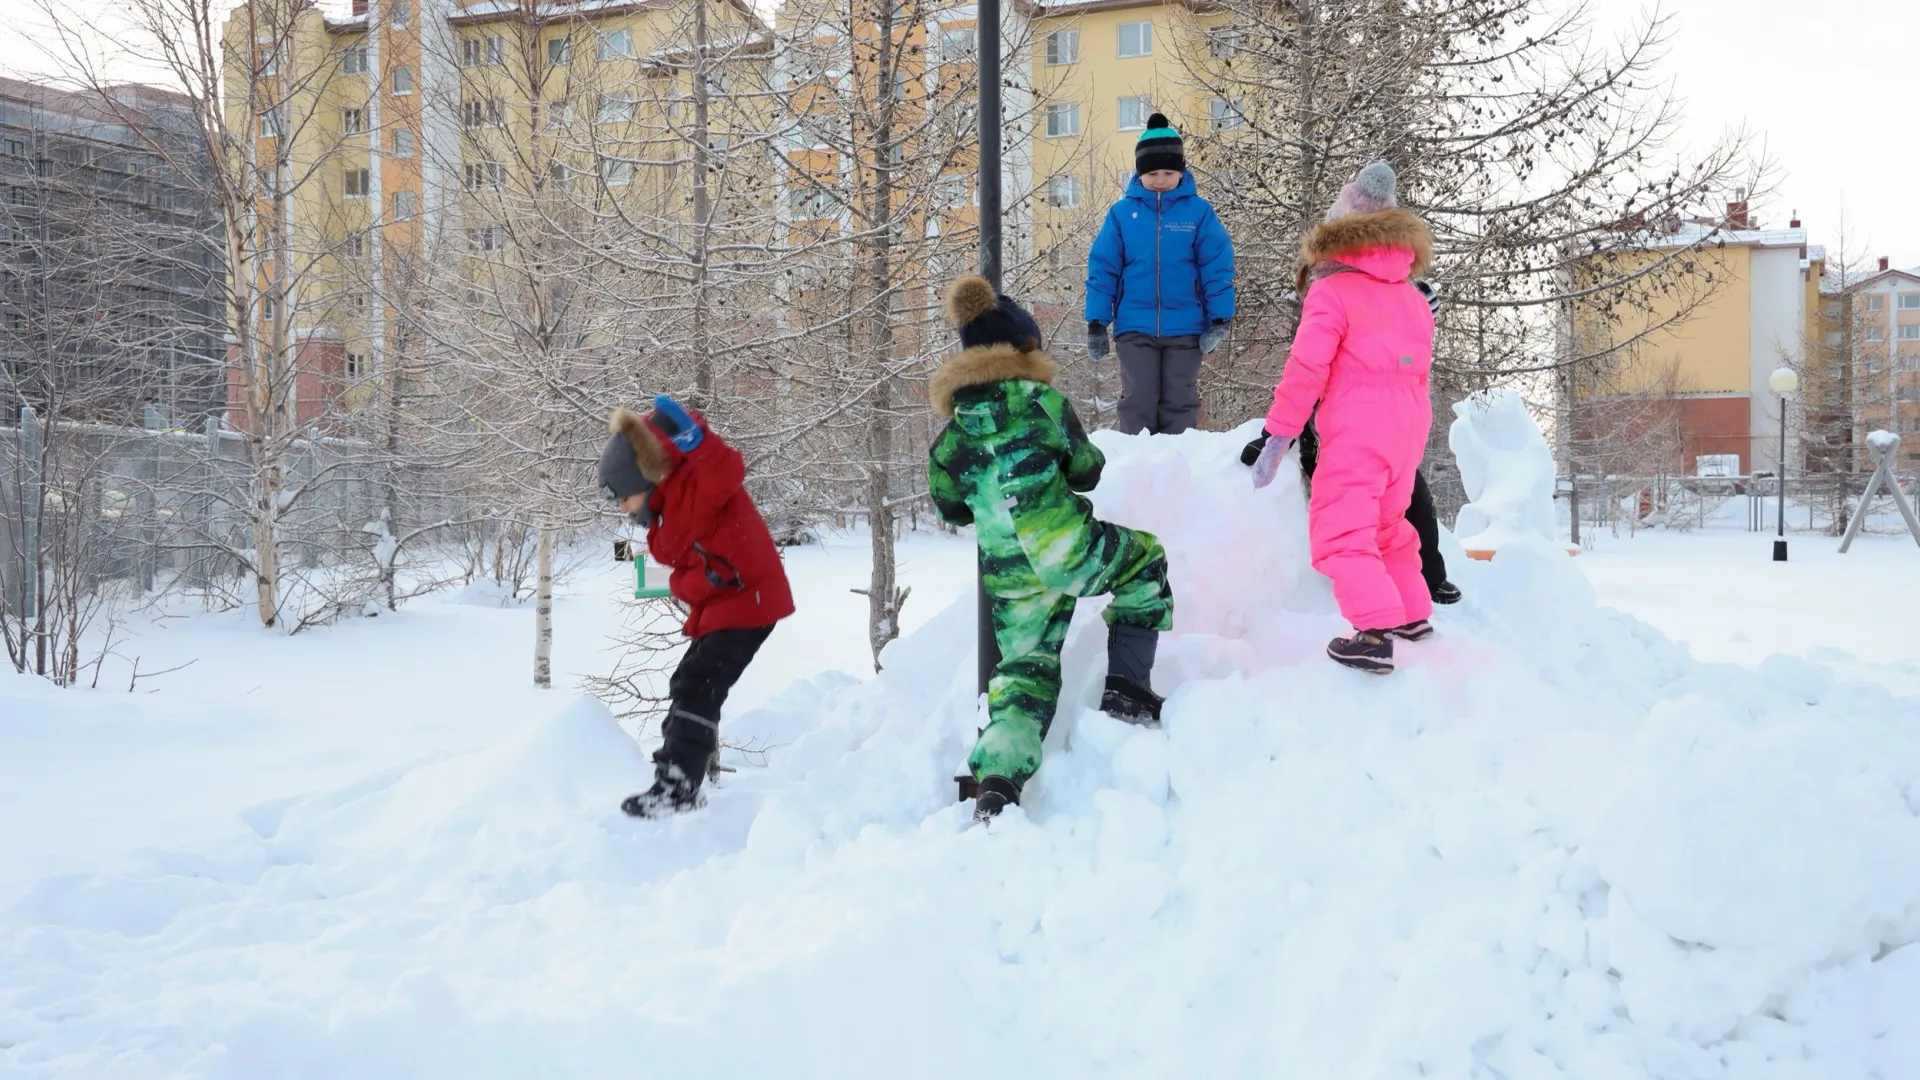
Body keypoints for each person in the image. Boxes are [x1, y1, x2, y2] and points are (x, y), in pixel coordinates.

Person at [929, 276, 1175, 821]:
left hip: (1011, 576)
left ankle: (997, 781)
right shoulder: (1041, 402)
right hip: (1069, 548)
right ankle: (1127, 689)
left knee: (1023, 676)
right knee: (1143, 560)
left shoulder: (950, 440)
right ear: (1021, 352)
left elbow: (948, 508)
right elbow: (1087, 470)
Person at [1246, 161, 1436, 673]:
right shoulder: (1413, 297)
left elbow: (1307, 369)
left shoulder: (1331, 292)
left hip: (1358, 428)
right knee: (1387, 525)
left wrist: (1278, 436)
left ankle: (1372, 633)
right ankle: (1413, 614)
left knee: (1340, 530)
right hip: (1408, 429)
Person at [597, 395, 795, 817]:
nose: (621, 507)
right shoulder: (667, 511)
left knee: (699, 686)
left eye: (622, 496)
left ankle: (679, 786)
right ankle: (677, 773)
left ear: (641, 482)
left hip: (750, 602)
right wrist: (687, 581)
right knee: (687, 682)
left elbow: (726, 471)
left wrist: (696, 440)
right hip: (728, 604)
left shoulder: (693, 485)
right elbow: (694, 569)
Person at [1244, 280, 1462, 607]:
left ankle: (1427, 580)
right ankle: (1371, 607)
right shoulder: (1351, 337)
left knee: (1415, 498)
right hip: (1336, 447)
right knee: (1355, 517)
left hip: (1387, 445)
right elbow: (1305, 386)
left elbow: (1412, 398)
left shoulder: (1407, 354)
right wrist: (1272, 439)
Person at [1085, 113, 1236, 436]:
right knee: (1138, 397)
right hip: (1135, 325)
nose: (1161, 179)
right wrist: (1097, 321)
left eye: (1169, 172)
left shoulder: (1198, 213)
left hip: (1186, 327)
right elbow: (1103, 267)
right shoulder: (1123, 214)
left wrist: (1220, 318)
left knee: (1179, 399)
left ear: (1181, 172)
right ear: (1140, 174)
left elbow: (1216, 264)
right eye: (1152, 172)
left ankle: (1175, 468)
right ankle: (1137, 469)